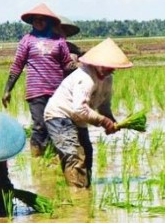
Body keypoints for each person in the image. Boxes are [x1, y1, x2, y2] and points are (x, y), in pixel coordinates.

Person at [43, 38, 133, 188]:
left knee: (87, 154)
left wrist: (112, 121)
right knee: (74, 155)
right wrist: (104, 122)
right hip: (59, 116)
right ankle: (78, 196)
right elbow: (80, 109)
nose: (110, 70)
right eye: (107, 66)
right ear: (97, 63)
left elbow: (104, 105)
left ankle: (85, 189)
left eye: (112, 67)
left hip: (78, 119)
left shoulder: (107, 79)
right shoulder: (85, 77)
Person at [2, 2, 73, 157]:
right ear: (32, 21)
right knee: (39, 126)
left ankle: (54, 157)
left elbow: (67, 64)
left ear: (49, 22)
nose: (39, 22)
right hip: (36, 91)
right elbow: (17, 66)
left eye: (42, 19)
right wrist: (7, 89)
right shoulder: (27, 40)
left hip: (57, 91)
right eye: (36, 19)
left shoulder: (59, 41)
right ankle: (36, 159)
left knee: (56, 124)